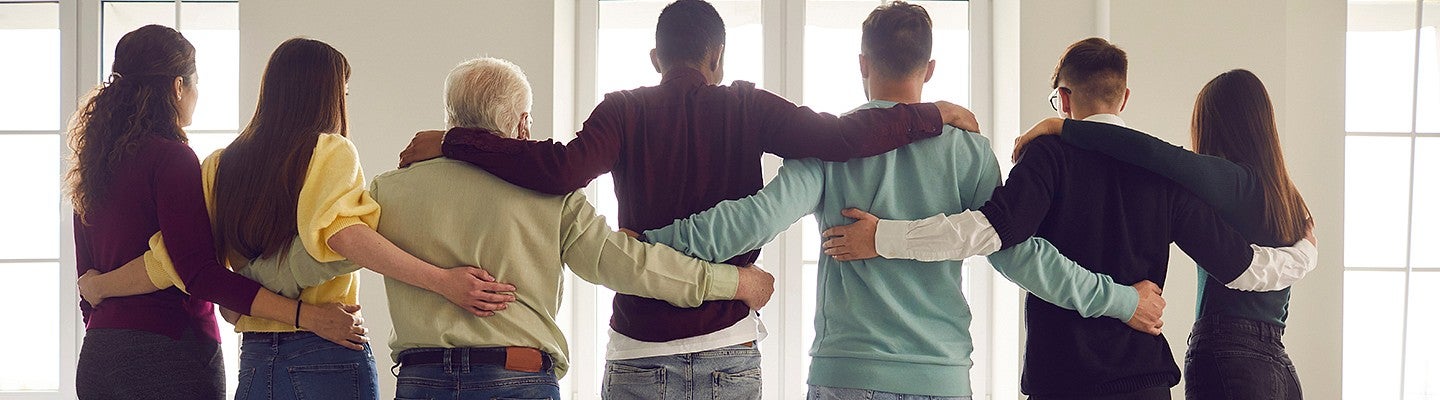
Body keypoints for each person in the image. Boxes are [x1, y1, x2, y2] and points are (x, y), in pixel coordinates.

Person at [394, 1, 978, 398]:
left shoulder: (622, 108)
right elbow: (839, 137)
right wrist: (929, 114)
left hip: (637, 350)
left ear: (655, 59)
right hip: (728, 344)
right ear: (718, 58)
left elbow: (559, 168)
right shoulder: (745, 105)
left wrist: (456, 140)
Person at [639, 4, 1162, 399]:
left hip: (845, 376)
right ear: (929, 69)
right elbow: (1020, 254)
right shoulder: (968, 152)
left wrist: (651, 242)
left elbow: (753, 220)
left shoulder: (830, 147)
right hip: (941, 379)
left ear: (862, 62)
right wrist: (1121, 301)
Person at [821, 38, 1318, 399]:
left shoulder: (1046, 158)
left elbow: (993, 231)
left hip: (1063, 380)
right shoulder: (1163, 177)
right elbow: (1237, 266)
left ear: (1063, 97)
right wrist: (1303, 252)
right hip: (1143, 381)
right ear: (1124, 98)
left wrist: (884, 236)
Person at [77, 38, 516, 400]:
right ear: (324, 94)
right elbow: (343, 235)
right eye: (343, 93)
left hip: (254, 360)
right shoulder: (330, 150)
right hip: (327, 350)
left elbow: (177, 264)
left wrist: (99, 286)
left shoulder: (218, 165)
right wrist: (443, 281)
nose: (345, 103)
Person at [370, 57, 775, 400]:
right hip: (520, 379)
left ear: (451, 119)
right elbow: (631, 267)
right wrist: (733, 282)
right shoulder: (549, 195)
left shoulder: (388, 189)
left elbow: (332, 250)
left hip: (420, 378)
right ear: (523, 124)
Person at [67, 26, 361, 400]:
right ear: (177, 86)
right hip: (168, 352)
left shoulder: (92, 166)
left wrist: (105, 313)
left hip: (99, 355)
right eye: (195, 83)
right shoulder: (172, 158)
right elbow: (199, 274)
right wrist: (307, 315)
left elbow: (87, 282)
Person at [1012, 68, 1310, 399]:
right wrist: (1301, 259)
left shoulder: (1232, 181)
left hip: (1230, 351)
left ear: (1214, 125)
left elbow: (1156, 154)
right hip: (1278, 357)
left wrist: (1064, 127)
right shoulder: (1286, 196)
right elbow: (1297, 255)